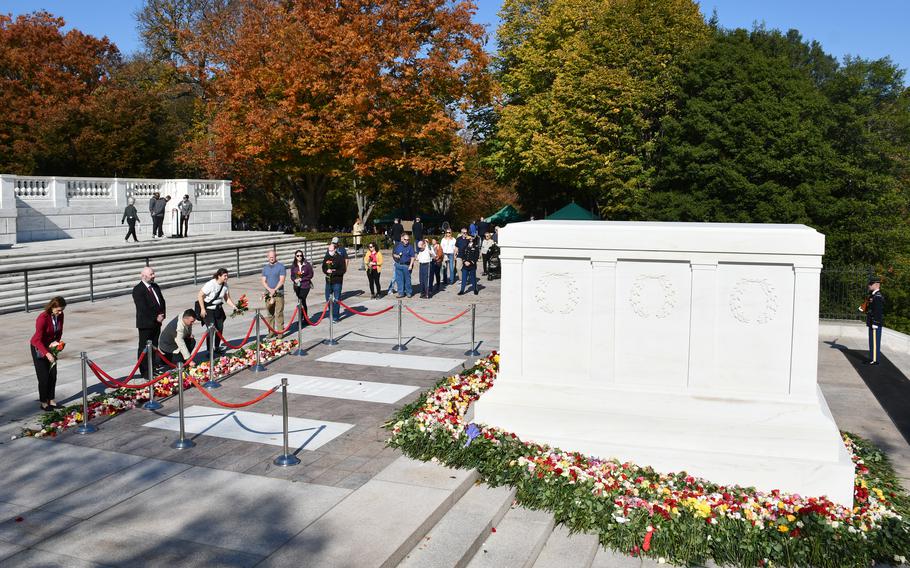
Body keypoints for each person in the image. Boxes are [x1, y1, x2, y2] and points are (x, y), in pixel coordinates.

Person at [30, 296, 66, 411]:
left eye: (62, 310)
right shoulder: (42, 318)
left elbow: (59, 331)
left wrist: (57, 343)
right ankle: (43, 402)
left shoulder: (60, 316)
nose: (60, 312)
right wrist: (47, 354)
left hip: (51, 346)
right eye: (58, 310)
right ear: (52, 307)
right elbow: (37, 340)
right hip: (38, 347)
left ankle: (51, 399)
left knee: (53, 375)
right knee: (44, 376)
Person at [132, 267, 166, 377]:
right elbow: (143, 308)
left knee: (154, 346)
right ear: (143, 276)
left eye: (153, 274)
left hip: (157, 323)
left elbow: (162, 301)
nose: (153, 276)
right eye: (151, 274)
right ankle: (145, 371)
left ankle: (153, 367)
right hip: (146, 324)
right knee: (144, 347)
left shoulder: (155, 286)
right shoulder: (138, 289)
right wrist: (155, 317)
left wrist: (162, 314)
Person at [197, 268, 237, 354]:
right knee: (211, 330)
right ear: (219, 276)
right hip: (209, 310)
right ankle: (209, 350)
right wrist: (202, 309)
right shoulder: (210, 284)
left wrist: (234, 306)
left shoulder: (225, 285)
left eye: (227, 275)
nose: (227, 277)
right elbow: (200, 295)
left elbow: (227, 298)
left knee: (219, 328)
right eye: (225, 276)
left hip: (218, 309)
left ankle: (217, 347)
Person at [261, 250, 286, 338]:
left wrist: (275, 289)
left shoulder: (281, 267)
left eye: (273, 256)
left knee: (279, 313)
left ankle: (280, 332)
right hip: (268, 293)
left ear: (276, 256)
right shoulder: (265, 268)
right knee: (269, 313)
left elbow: (282, 280)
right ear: (268, 257)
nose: (271, 258)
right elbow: (263, 281)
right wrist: (270, 290)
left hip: (279, 293)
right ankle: (271, 332)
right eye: (270, 257)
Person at [322, 244, 346, 322]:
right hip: (328, 281)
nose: (330, 252)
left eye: (331, 250)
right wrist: (326, 271)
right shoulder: (327, 257)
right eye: (329, 250)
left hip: (337, 281)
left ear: (335, 250)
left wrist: (333, 272)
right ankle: (331, 313)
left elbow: (343, 270)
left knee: (336, 299)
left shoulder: (340, 258)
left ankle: (335, 317)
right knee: (327, 298)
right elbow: (323, 267)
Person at [290, 249, 314, 325]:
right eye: (297, 255)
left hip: (305, 285)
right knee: (302, 301)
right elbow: (292, 275)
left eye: (300, 255)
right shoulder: (294, 265)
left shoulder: (307, 264)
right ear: (295, 256)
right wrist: (294, 280)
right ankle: (304, 318)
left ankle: (302, 319)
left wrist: (302, 279)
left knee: (301, 299)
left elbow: (311, 275)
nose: (299, 257)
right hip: (297, 286)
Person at [865, 277, 885, 365]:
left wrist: (875, 323)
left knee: (875, 342)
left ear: (876, 285)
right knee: (872, 342)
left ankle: (875, 360)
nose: (869, 285)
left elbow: (878, 311)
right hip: (872, 322)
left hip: (875, 323)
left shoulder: (877, 296)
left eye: (870, 284)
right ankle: (872, 358)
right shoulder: (873, 295)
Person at [393, 233, 415, 298]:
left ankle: (408, 292)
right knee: (399, 280)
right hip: (399, 265)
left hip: (406, 265)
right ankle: (401, 293)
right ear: (402, 239)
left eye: (408, 240)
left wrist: (411, 265)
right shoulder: (398, 246)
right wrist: (397, 256)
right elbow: (394, 254)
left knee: (407, 280)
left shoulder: (410, 247)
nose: (406, 241)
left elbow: (413, 257)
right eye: (405, 239)